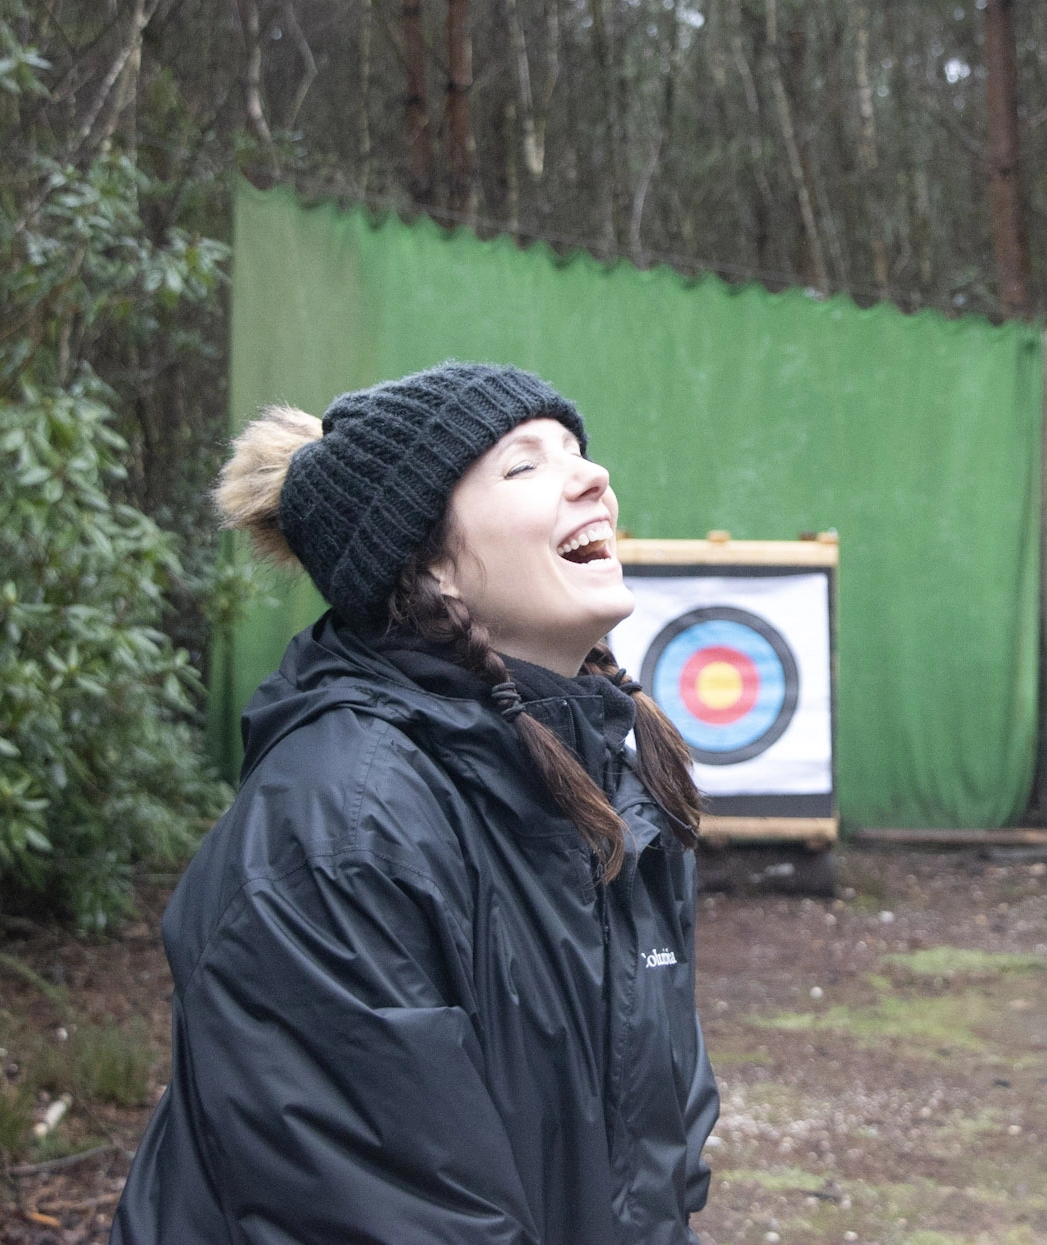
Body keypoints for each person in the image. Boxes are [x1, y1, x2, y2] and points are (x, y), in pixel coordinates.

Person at [111, 362, 719, 1245]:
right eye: (525, 466)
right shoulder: (341, 831)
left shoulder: (612, 798)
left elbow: (657, 1172)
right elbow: (392, 1219)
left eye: (580, 453)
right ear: (426, 567)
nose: (595, 477)